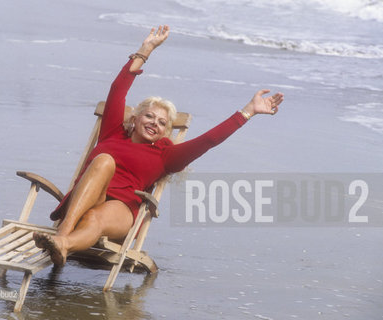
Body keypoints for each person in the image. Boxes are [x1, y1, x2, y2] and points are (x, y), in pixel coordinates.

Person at [33, 25, 284, 266]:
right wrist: (146, 50)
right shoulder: (113, 132)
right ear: (135, 118)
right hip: (87, 197)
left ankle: (61, 243)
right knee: (104, 160)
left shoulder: (165, 156)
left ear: (166, 131)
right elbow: (117, 89)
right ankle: (63, 239)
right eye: (150, 116)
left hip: (120, 210)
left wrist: (248, 112)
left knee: (94, 217)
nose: (155, 123)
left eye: (162, 123)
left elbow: (209, 140)